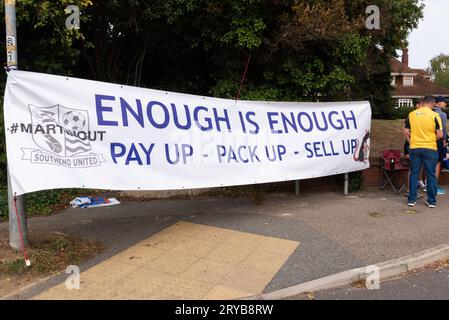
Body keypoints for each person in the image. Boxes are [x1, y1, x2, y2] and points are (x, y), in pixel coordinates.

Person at [403, 96, 443, 208]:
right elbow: (440, 134)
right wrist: (429, 140)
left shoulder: (412, 114)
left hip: (415, 147)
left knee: (414, 173)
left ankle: (411, 200)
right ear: (433, 104)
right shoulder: (435, 115)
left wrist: (412, 142)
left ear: (423, 102)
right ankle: (431, 201)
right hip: (430, 148)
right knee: (431, 174)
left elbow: (405, 131)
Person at [433, 96, 448, 195]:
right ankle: (434, 187)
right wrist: (444, 141)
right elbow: (443, 130)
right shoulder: (442, 114)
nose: (446, 104)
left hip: (425, 141)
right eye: (444, 102)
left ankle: (427, 185)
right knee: (437, 164)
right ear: (439, 103)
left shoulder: (429, 112)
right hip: (438, 141)